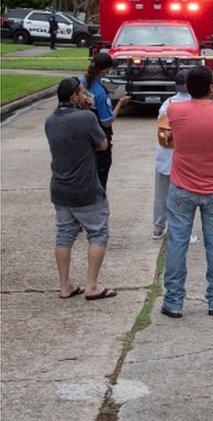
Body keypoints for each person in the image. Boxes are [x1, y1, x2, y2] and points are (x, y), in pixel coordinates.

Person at [160, 66, 213, 319]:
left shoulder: (175, 110)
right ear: (211, 87)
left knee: (177, 243)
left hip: (182, 186)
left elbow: (165, 135)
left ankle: (173, 301)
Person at [45, 77, 115, 300]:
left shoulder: (50, 121)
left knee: (64, 235)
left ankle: (65, 285)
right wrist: (89, 112)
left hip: (60, 187)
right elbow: (102, 144)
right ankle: (92, 285)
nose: (87, 97)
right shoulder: (86, 117)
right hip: (85, 188)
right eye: (83, 93)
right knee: (98, 232)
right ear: (74, 96)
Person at [152, 70, 197, 244]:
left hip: (164, 155)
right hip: (184, 158)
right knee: (184, 198)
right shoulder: (193, 105)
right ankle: (183, 231)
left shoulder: (167, 103)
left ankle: (158, 228)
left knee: (161, 194)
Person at [80, 52, 129, 191]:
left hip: (83, 138)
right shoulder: (100, 92)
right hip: (99, 139)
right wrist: (120, 103)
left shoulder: (81, 84)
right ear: (105, 70)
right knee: (100, 184)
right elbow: (107, 121)